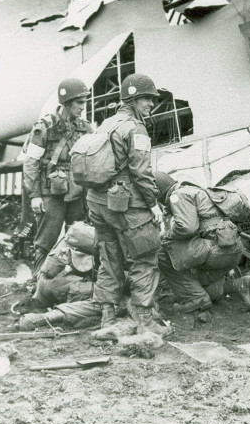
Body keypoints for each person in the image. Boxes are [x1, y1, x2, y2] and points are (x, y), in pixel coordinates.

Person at [86, 73, 169, 336]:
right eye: (146, 98)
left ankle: (108, 318)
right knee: (144, 257)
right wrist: (154, 204)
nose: (150, 104)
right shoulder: (136, 128)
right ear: (132, 99)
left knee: (109, 258)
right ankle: (145, 321)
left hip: (98, 203)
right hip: (125, 204)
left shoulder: (105, 124)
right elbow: (142, 173)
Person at [154, 172, 250, 313]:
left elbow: (187, 227)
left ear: (158, 191)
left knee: (161, 252)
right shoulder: (195, 190)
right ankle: (239, 285)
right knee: (197, 286)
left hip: (215, 252)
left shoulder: (177, 195)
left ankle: (196, 299)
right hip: (231, 251)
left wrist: (168, 236)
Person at [23, 78, 93, 274]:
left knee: (78, 235)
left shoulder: (85, 128)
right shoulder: (45, 127)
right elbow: (31, 163)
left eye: (84, 102)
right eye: (79, 102)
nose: (83, 107)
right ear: (67, 102)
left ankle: (72, 278)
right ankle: (39, 280)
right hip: (51, 192)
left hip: (77, 191)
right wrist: (35, 195)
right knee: (46, 239)